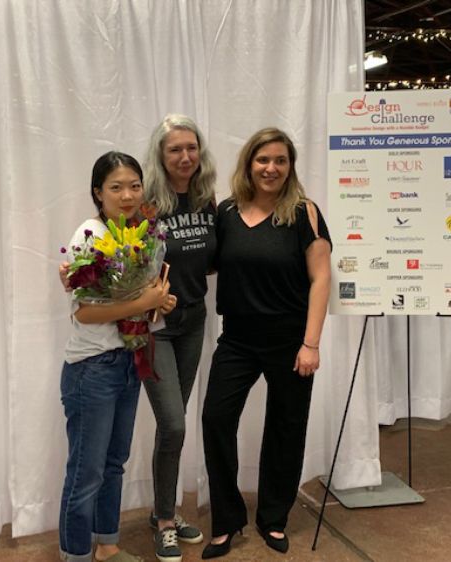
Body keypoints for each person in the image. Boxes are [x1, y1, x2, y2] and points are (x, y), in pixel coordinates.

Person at [200, 128, 331, 558]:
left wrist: (310, 344)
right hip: (237, 338)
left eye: (280, 160)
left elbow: (321, 277)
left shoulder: (304, 212)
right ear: (248, 164)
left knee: (285, 429)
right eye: (263, 160)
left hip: (290, 340)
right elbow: (208, 265)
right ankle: (227, 521)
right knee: (216, 419)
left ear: (290, 166)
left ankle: (273, 518)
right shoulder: (227, 212)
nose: (271, 168)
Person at [59, 151, 175, 562]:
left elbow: (130, 303)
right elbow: (86, 313)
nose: (127, 195)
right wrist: (141, 301)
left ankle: (107, 545)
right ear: (98, 192)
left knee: (113, 463)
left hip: (127, 362)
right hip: (91, 370)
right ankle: (75, 555)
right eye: (115, 187)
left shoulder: (139, 235)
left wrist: (159, 302)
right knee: (85, 472)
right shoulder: (89, 236)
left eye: (134, 186)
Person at [142, 114, 217, 562]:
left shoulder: (207, 199)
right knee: (173, 424)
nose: (185, 156)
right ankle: (167, 521)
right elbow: (130, 261)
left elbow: (209, 259)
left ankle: (162, 511)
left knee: (173, 427)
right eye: (175, 149)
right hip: (155, 328)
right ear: (161, 154)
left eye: (192, 148)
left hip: (193, 321)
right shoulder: (148, 202)